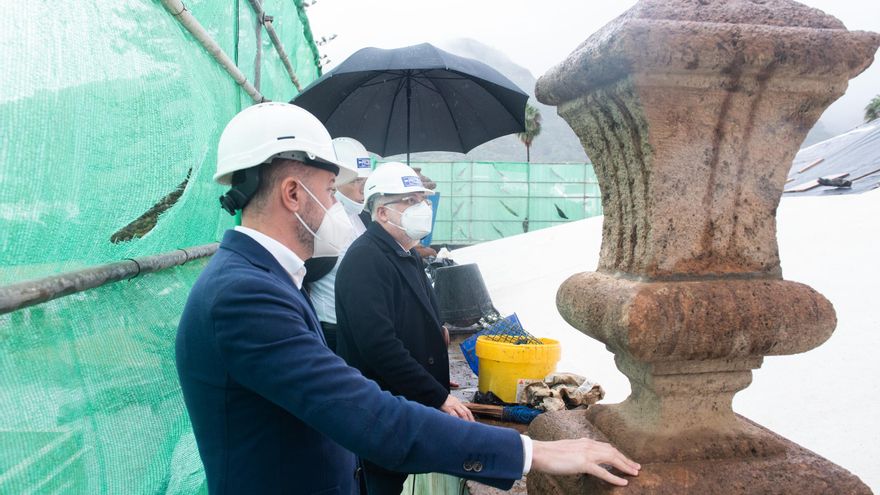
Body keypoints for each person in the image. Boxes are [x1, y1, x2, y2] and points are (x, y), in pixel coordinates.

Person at [175, 102, 640, 495]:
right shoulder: (244, 297)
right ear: (293, 194)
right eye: (331, 192)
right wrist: (530, 452)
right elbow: (363, 412)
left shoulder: (265, 278)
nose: (338, 208)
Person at [335, 161, 474, 494]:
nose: (422, 207)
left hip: (403, 402)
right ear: (382, 212)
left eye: (422, 200)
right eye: (410, 201)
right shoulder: (365, 260)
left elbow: (418, 319)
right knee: (378, 485)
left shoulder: (406, 253)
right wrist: (436, 395)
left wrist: (435, 365)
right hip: (380, 411)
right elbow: (380, 346)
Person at [304, 137, 373, 351]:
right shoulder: (318, 222)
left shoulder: (360, 218)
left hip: (359, 325)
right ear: (334, 180)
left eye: (366, 181)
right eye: (356, 181)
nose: (363, 189)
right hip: (332, 329)